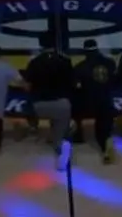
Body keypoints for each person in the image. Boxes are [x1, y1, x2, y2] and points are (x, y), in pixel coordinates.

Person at [23, 34, 75, 171]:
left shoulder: (34, 62)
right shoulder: (65, 60)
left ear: (40, 45)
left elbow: (27, 86)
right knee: (59, 138)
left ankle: (33, 127)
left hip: (40, 106)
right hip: (62, 104)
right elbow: (72, 84)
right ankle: (61, 147)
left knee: (28, 107)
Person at [73, 40, 118, 164]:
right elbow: (115, 81)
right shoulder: (110, 63)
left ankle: (79, 135)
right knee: (103, 127)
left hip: (89, 104)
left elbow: (76, 87)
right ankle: (106, 142)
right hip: (107, 102)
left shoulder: (80, 67)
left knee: (74, 104)